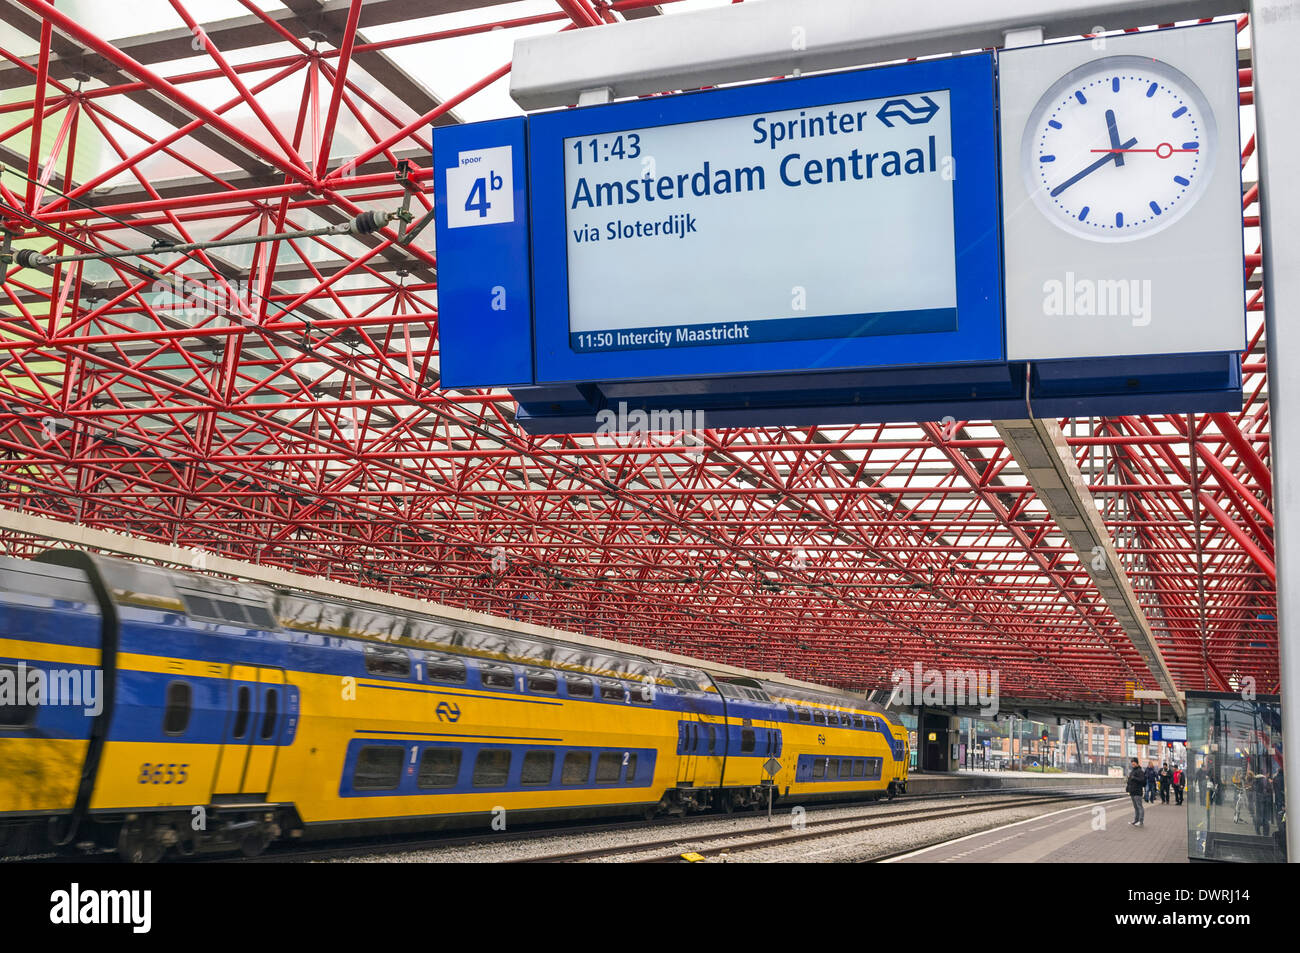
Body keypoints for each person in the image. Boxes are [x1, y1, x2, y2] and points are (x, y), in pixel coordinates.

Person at [1126, 757, 1146, 827]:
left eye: (1134, 762)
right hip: (1132, 791)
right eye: (1132, 763)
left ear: (1137, 763)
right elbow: (1129, 781)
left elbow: (1143, 781)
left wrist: (1134, 778)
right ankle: (1136, 820)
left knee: (1139, 807)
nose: (1132, 764)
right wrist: (1127, 788)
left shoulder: (1140, 771)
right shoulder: (1132, 771)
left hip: (1137, 791)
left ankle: (1141, 821)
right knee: (1135, 807)